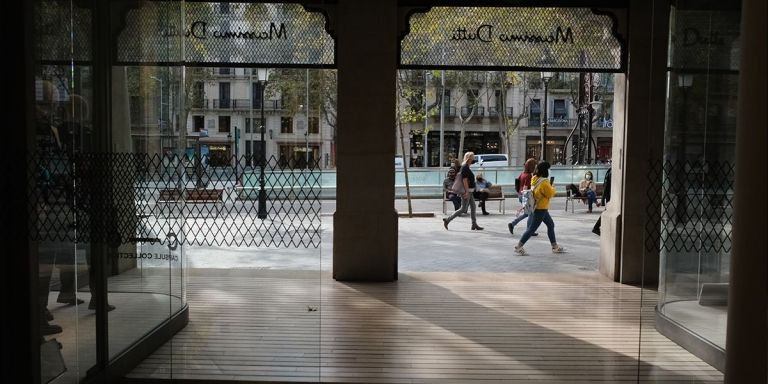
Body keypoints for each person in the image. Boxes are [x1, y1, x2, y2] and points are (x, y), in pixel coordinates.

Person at [514, 161, 565, 255]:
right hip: (540, 209)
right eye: (549, 169)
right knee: (531, 229)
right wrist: (553, 187)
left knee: (550, 225)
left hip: (538, 207)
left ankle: (555, 246)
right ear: (546, 170)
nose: (550, 171)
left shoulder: (534, 178)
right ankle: (519, 246)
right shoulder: (545, 182)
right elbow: (550, 194)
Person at [442, 152, 483, 231]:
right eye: (473, 158)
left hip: (470, 191)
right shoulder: (464, 167)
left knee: (473, 207)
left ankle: (474, 224)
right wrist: (466, 192)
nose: (474, 159)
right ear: (469, 158)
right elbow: (464, 180)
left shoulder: (466, 167)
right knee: (463, 209)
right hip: (467, 191)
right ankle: (447, 220)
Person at [508, 158, 538, 236]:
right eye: (535, 165)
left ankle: (513, 224)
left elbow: (517, 183)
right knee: (531, 213)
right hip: (526, 196)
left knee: (527, 213)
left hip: (520, 195)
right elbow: (525, 188)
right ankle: (529, 231)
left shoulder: (522, 174)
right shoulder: (528, 176)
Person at [593, 165, 612, 235]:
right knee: (608, 211)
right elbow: (606, 186)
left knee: (608, 211)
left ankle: (597, 227)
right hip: (610, 196)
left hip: (609, 195)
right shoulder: (611, 172)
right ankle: (596, 227)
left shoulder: (610, 171)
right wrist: (603, 199)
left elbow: (606, 186)